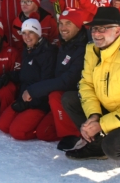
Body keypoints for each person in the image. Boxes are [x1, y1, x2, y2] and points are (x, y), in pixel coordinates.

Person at [62, 7, 120, 174]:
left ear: (118, 31)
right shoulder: (91, 49)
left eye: (104, 28)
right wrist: (94, 116)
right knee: (70, 99)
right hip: (114, 108)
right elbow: (86, 84)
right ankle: (96, 147)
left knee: (114, 148)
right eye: (95, 28)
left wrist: (101, 125)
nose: (97, 33)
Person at [23, 8, 88, 146]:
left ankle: (74, 134)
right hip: (63, 101)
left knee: (55, 95)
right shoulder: (65, 44)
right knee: (43, 133)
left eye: (68, 23)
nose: (63, 28)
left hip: (80, 98)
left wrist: (35, 90)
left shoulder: (83, 49)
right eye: (61, 23)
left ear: (78, 25)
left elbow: (67, 81)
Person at [0, 18, 57, 140]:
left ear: (38, 33)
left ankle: (41, 126)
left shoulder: (48, 53)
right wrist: (8, 75)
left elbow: (47, 83)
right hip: (24, 98)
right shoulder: (28, 50)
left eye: (31, 32)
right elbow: (26, 74)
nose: (27, 36)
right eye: (24, 33)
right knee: (3, 126)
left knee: (17, 132)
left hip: (39, 102)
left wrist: (30, 103)